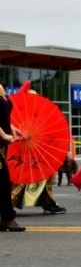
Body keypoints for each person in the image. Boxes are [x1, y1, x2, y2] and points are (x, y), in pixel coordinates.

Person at [0, 82, 25, 232]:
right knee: (3, 179)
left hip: (2, 144)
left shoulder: (1, 87)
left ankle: (6, 217)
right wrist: (3, 134)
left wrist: (12, 128)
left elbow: (2, 115)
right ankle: (8, 217)